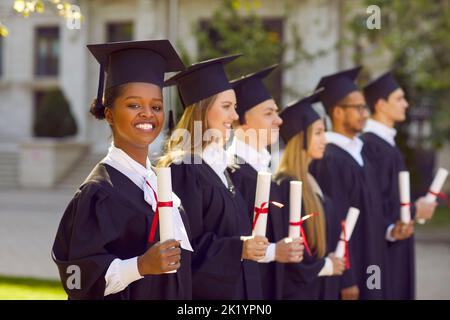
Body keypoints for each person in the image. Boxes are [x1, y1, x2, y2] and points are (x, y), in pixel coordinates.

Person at [52, 40, 193, 300]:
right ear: (109, 114)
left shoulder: (157, 182)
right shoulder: (98, 192)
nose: (148, 114)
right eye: (134, 105)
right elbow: (76, 278)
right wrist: (139, 266)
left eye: (156, 106)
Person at [159, 55, 267, 299]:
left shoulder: (223, 168)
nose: (235, 116)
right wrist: (240, 248)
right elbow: (188, 247)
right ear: (203, 109)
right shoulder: (183, 169)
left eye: (235, 107)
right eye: (227, 107)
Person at [226, 65, 304, 300]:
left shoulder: (263, 168)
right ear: (241, 118)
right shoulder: (232, 172)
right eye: (268, 113)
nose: (279, 120)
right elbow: (231, 239)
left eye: (276, 112)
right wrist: (273, 251)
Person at [309, 67, 386, 300]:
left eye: (365, 107)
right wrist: (346, 278)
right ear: (338, 112)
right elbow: (335, 221)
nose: (365, 113)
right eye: (358, 108)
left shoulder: (359, 154)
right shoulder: (330, 160)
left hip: (371, 261)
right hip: (350, 268)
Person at [361, 71, 437, 299]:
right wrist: (414, 210)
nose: (406, 104)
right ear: (381, 104)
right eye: (399, 99)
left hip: (397, 236)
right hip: (382, 246)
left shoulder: (386, 145)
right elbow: (375, 202)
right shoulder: (371, 147)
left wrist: (414, 208)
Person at [275, 90, 346, 300]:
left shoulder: (311, 180)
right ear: (300, 138)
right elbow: (292, 252)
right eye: (318, 132)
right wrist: (325, 265)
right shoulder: (284, 185)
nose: (325, 139)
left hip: (322, 287)